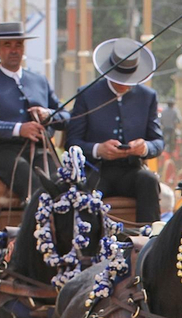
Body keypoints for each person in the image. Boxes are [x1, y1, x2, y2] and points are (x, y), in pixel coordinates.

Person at [68, 39, 165, 223]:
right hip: (97, 171)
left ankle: (147, 240)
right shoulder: (87, 95)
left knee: (149, 180)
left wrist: (144, 147)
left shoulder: (147, 97)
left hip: (131, 171)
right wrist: (98, 149)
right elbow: (72, 142)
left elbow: (158, 142)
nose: (124, 84)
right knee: (84, 189)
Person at [0, 21, 69, 203]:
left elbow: (66, 116)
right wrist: (19, 129)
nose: (14, 50)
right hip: (5, 153)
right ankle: (32, 230)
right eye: (8, 45)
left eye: (18, 45)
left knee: (61, 186)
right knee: (35, 187)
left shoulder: (39, 80)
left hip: (42, 151)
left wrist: (48, 114)